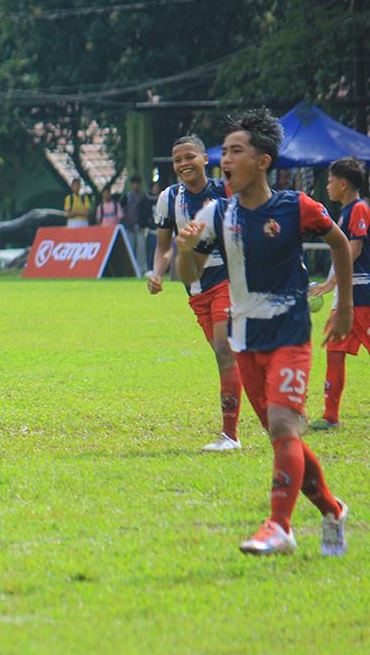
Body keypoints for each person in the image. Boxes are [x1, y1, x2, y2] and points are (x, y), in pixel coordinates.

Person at [176, 108, 350, 557]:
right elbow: (187, 273)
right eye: (224, 152)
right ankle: (332, 509)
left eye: (236, 151)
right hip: (245, 339)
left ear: (263, 161)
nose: (224, 160)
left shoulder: (297, 207)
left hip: (290, 335)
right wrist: (187, 247)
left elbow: (339, 244)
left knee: (281, 425)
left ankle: (279, 526)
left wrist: (344, 305)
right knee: (283, 436)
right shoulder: (219, 213)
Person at [149, 135, 242, 452]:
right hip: (195, 289)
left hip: (228, 282)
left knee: (224, 351)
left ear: (205, 159)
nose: (183, 163)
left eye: (190, 156)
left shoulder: (225, 191)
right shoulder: (169, 197)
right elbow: (163, 245)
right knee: (227, 355)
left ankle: (229, 435)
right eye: (177, 160)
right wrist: (157, 274)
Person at [308, 156, 370, 430]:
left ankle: (331, 415)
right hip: (349, 295)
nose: (328, 187)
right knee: (334, 351)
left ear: (343, 184)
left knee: (335, 351)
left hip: (362, 296)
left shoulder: (359, 209)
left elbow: (353, 250)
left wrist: (331, 282)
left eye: (331, 182)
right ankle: (331, 416)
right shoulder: (346, 211)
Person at [121, 175, 149, 271]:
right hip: (130, 225)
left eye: (137, 183)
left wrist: (144, 225)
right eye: (134, 183)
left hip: (140, 225)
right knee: (130, 247)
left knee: (141, 248)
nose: (136, 185)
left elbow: (146, 212)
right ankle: (130, 268)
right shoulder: (128, 197)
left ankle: (142, 268)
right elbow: (121, 209)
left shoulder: (144, 197)